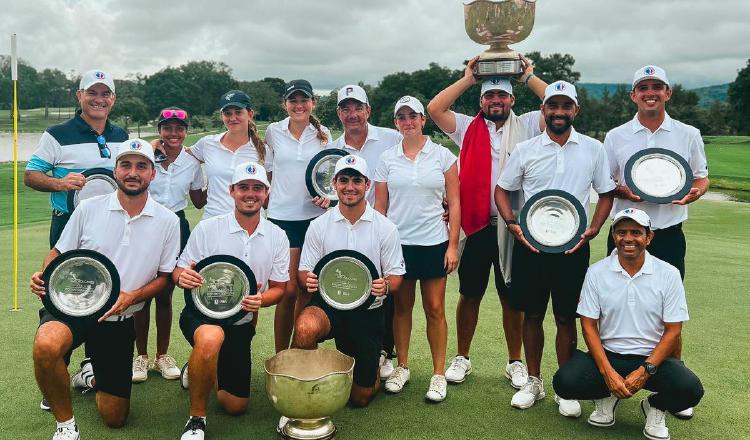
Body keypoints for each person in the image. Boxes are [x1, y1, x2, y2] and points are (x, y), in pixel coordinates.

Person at [30, 139, 180, 440]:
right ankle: (66, 426)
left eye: (141, 166)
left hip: (118, 319)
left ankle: (91, 374)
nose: (132, 172)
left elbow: (165, 277)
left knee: (115, 417)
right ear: (116, 170)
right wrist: (45, 274)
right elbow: (59, 252)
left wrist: (134, 297)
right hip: (75, 306)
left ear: (153, 174)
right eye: (126, 165)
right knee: (46, 345)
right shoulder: (88, 207)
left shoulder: (169, 221)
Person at [496, 81, 616, 416]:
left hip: (572, 248)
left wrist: (594, 228)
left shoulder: (593, 148)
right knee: (532, 314)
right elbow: (502, 190)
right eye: (553, 106)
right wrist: (512, 224)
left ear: (575, 110)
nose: (559, 112)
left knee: (566, 317)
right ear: (543, 111)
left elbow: (606, 193)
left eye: (566, 107)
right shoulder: (526, 150)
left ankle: (565, 387)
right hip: (531, 247)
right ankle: (533, 381)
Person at [426, 55, 547, 387]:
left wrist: (528, 77)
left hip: (514, 224)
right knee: (470, 293)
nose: (496, 101)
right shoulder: (467, 126)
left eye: (502, 96)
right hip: (477, 223)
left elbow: (558, 101)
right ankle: (462, 357)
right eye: (490, 96)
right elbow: (434, 109)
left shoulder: (527, 125)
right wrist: (467, 78)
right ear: (482, 100)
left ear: (511, 99)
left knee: (512, 296)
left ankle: (515, 361)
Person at [603, 65, 709, 419]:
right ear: (633, 95)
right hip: (625, 234)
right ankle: (610, 385)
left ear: (668, 93)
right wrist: (623, 190)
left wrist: (694, 194)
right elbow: (606, 182)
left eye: (657, 87)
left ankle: (671, 389)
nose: (650, 92)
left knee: (670, 313)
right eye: (643, 87)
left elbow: (701, 178)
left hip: (667, 234)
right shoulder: (616, 135)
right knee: (612, 310)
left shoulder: (688, 133)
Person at [24, 69, 128, 407]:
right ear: (78, 96)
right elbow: (31, 175)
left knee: (104, 290)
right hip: (68, 223)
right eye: (92, 93)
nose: (99, 99)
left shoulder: (120, 134)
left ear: (112, 99)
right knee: (61, 295)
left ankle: (94, 365)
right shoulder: (57, 134)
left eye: (105, 94)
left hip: (109, 227)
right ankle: (57, 372)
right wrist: (60, 183)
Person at [553, 208, 704, 440]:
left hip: (652, 360)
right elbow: (589, 325)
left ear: (649, 237)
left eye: (636, 232)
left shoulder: (669, 274)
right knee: (564, 382)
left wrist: (645, 371)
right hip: (609, 354)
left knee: (691, 390)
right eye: (621, 232)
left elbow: (674, 331)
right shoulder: (596, 272)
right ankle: (607, 396)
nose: (628, 239)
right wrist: (607, 373)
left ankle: (655, 405)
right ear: (614, 236)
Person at [174, 162, 289, 440]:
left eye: (257, 188)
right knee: (211, 338)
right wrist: (182, 278)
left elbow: (280, 288)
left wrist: (261, 301)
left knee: (235, 406)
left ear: (266, 193)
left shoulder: (277, 235)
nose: (250, 194)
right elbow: (180, 269)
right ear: (232, 191)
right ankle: (196, 419)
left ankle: (202, 363)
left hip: (241, 321)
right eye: (244, 188)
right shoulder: (209, 228)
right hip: (201, 315)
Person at [291, 155, 405, 411]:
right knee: (305, 328)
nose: (349, 186)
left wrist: (385, 286)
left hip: (368, 311)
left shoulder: (385, 227)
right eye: (343, 180)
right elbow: (303, 272)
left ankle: (370, 368)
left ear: (367, 185)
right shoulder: (319, 225)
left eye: (356, 180)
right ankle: (304, 393)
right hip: (328, 305)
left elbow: (396, 277)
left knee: (360, 398)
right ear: (334, 183)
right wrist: (306, 279)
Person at [373, 96, 460, 402]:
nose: (407, 122)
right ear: (396, 122)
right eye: (401, 117)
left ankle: (438, 375)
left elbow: (455, 202)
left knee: (435, 308)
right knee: (401, 308)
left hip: (434, 243)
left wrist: (452, 245)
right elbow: (380, 207)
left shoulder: (443, 156)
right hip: (398, 245)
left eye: (413, 116)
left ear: (424, 120)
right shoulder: (387, 159)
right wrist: (378, 247)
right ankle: (403, 366)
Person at [329, 84, 402, 378]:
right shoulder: (331, 149)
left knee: (387, 289)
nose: (352, 114)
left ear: (368, 110)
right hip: (348, 227)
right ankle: (353, 350)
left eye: (358, 107)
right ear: (338, 113)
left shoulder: (391, 137)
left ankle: (385, 351)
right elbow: (328, 187)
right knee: (351, 287)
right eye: (345, 108)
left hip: (386, 226)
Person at [132, 108, 206, 383]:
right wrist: (150, 149)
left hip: (176, 224)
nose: (173, 134)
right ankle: (141, 356)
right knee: (141, 292)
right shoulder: (146, 155)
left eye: (179, 129)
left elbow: (198, 200)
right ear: (160, 129)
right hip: (144, 222)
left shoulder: (191, 161)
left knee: (165, 292)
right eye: (168, 128)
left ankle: (162, 355)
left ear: (186, 131)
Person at [264, 79, 332, 353]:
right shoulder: (273, 131)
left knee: (306, 288)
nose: (299, 105)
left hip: (315, 218)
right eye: (293, 101)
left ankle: (299, 351)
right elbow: (269, 170)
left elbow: (328, 175)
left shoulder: (324, 134)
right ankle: (282, 354)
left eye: (304, 100)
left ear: (312, 103)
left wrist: (328, 197)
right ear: (285, 104)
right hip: (282, 218)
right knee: (287, 291)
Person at [183, 90, 269, 221]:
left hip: (251, 223)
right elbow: (179, 155)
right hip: (213, 221)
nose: (233, 118)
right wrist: (155, 144)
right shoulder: (208, 143)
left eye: (238, 112)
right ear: (221, 115)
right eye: (227, 113)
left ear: (250, 114)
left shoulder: (263, 150)